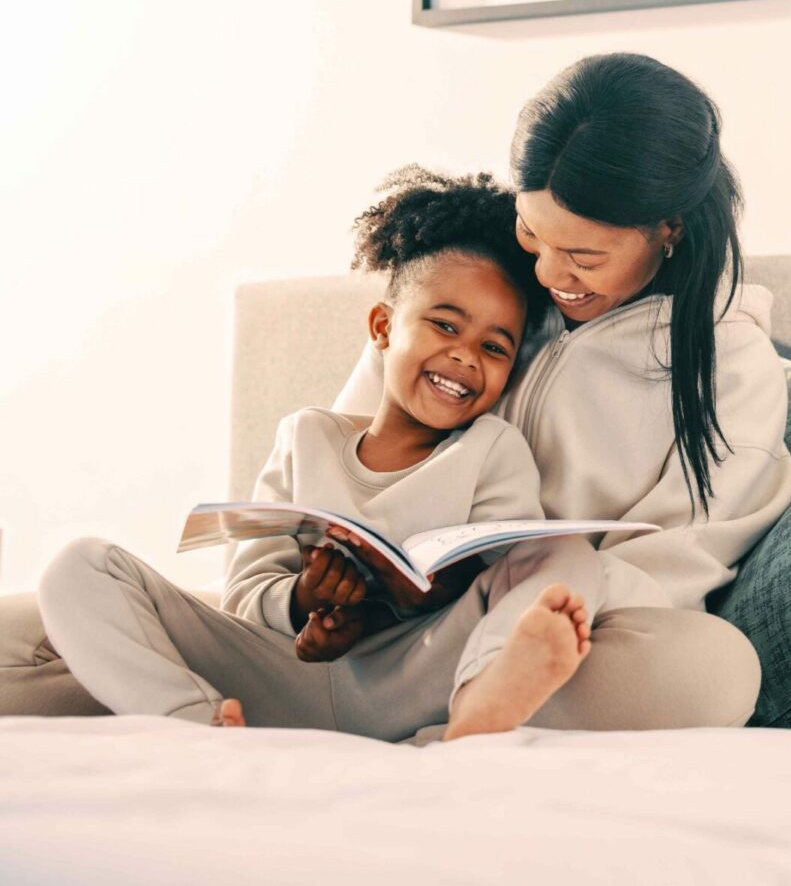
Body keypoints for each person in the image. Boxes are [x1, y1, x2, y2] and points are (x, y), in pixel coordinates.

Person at [327, 53, 791, 737]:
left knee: (715, 667)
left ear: (670, 229)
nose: (549, 272)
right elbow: (351, 445)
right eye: (532, 233)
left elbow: (676, 564)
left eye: (584, 256)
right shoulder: (473, 282)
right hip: (379, 624)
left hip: (548, 640)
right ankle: (426, 713)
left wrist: (530, 602)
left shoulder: (731, 368)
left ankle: (467, 708)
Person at [37, 167, 593, 739]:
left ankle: (485, 696)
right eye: (444, 325)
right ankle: (191, 722)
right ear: (382, 327)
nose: (465, 357)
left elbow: (495, 573)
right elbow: (245, 596)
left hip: (420, 672)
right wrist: (307, 601)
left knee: (563, 553)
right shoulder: (304, 439)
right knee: (79, 565)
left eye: (494, 347)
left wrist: (402, 589)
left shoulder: (491, 449)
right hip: (276, 676)